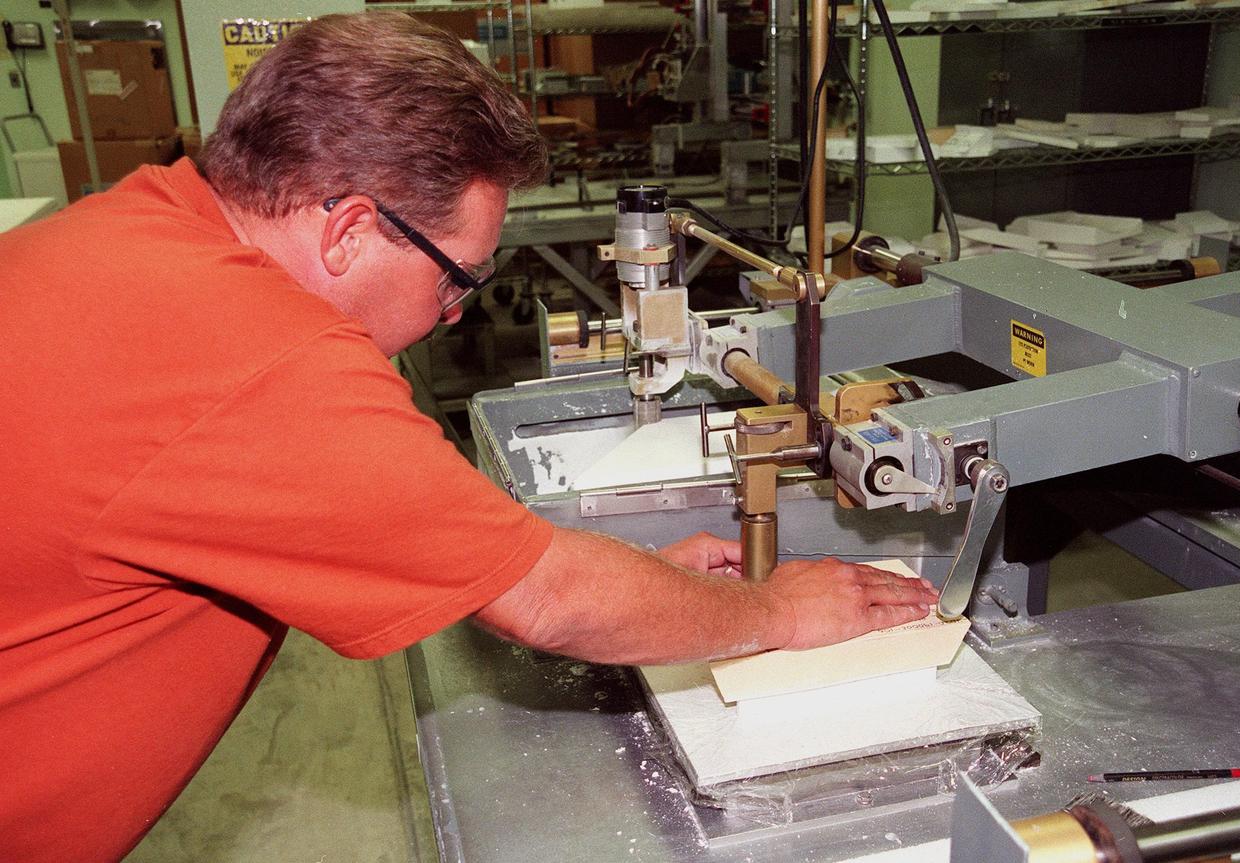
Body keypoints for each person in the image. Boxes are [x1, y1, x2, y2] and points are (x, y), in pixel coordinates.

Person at [0, 12, 938, 862]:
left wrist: (635, 577)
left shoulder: (140, 227)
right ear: (351, 233)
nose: (453, 317)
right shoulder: (260, 355)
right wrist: (776, 614)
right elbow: (546, 601)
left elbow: (416, 523)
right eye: (458, 277)